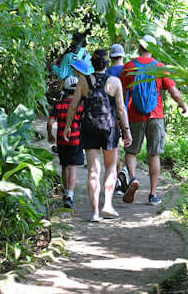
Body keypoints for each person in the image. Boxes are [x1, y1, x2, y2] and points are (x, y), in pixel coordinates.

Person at [64, 51, 133, 222]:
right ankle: (107, 205)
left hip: (89, 128)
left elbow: (73, 106)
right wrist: (127, 130)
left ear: (92, 64)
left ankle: (95, 212)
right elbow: (121, 109)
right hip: (109, 129)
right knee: (111, 168)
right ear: (107, 64)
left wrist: (67, 127)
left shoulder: (83, 81)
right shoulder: (115, 82)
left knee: (93, 171)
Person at [120, 35, 188, 205]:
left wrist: (119, 116)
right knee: (154, 154)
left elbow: (119, 95)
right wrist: (182, 105)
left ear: (139, 47)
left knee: (131, 151)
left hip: (134, 115)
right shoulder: (159, 67)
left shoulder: (128, 67)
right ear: (153, 47)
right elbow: (174, 92)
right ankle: (152, 195)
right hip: (155, 116)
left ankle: (134, 178)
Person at [47, 76, 84, 209]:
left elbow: (50, 122)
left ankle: (66, 191)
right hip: (76, 140)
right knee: (72, 167)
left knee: (64, 166)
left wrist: (50, 134)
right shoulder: (80, 105)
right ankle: (70, 195)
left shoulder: (59, 105)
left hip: (62, 141)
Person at [106, 43, 130, 195]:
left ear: (110, 57)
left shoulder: (107, 72)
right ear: (123, 55)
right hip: (128, 114)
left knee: (115, 149)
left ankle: (116, 182)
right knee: (130, 149)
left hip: (112, 115)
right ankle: (126, 173)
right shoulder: (128, 71)